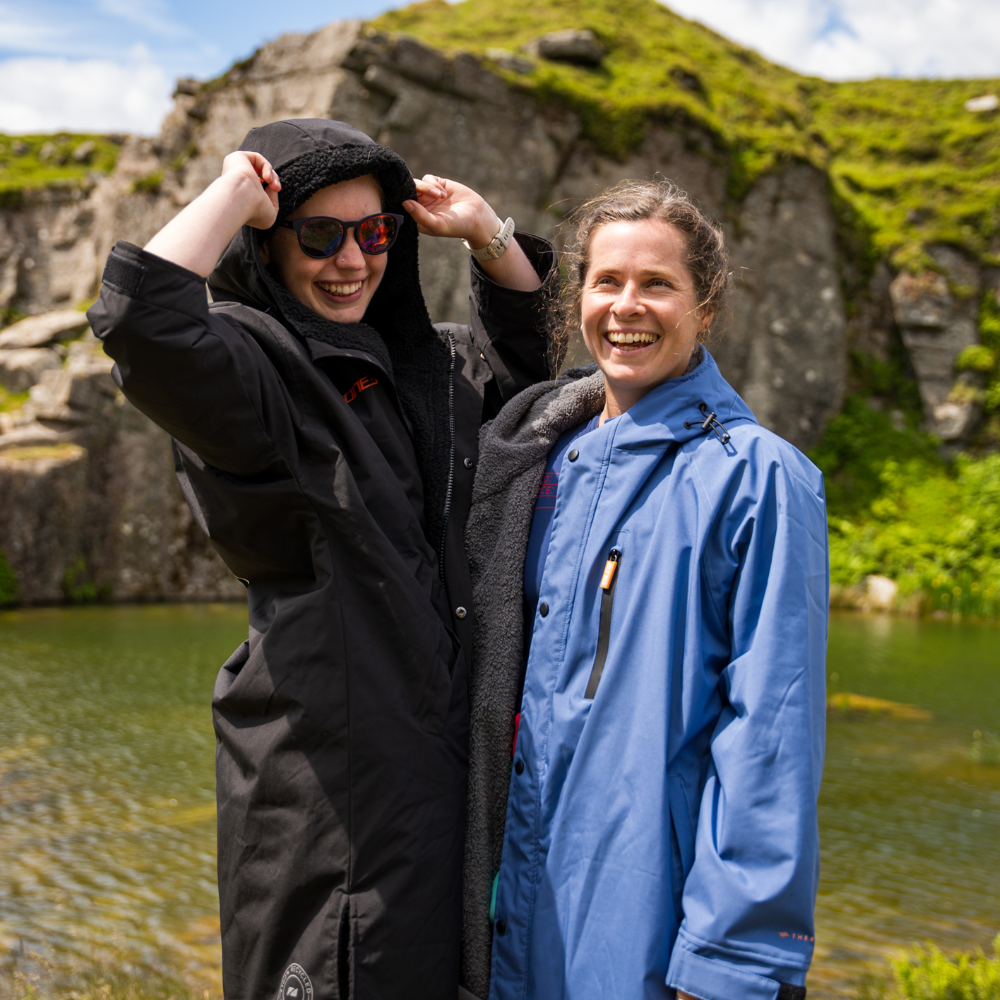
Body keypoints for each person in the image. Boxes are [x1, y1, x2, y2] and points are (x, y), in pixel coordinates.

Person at [87, 118, 559, 1000]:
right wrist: (234, 193)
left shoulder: (423, 366)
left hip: (436, 788)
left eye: (373, 233)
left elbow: (534, 377)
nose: (351, 260)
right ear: (268, 241)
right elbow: (141, 324)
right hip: (331, 800)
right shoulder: (254, 364)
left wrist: (487, 236)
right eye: (319, 235)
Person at [460, 180, 829, 1000]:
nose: (628, 307)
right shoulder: (538, 461)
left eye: (658, 284)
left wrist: (729, 960)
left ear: (706, 308)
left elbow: (771, 737)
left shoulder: (760, 478)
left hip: (647, 924)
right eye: (608, 282)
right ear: (579, 301)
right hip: (517, 902)